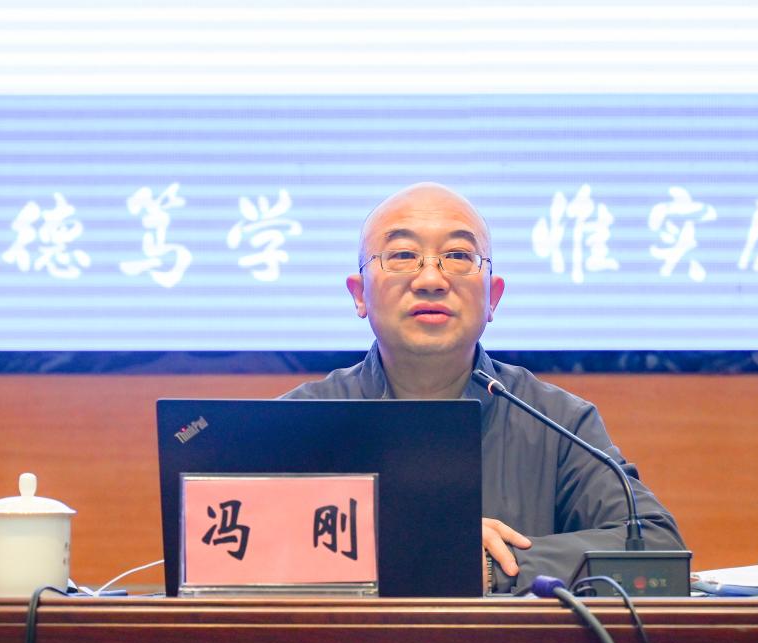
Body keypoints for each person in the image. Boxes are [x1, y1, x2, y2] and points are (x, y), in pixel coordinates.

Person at [283, 182, 684, 593]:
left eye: (458, 256)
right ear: (359, 294)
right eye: (402, 255)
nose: (430, 279)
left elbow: (657, 545)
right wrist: (411, 548)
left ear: (493, 297)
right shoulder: (296, 421)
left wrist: (497, 565)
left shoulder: (556, 422)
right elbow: (246, 551)